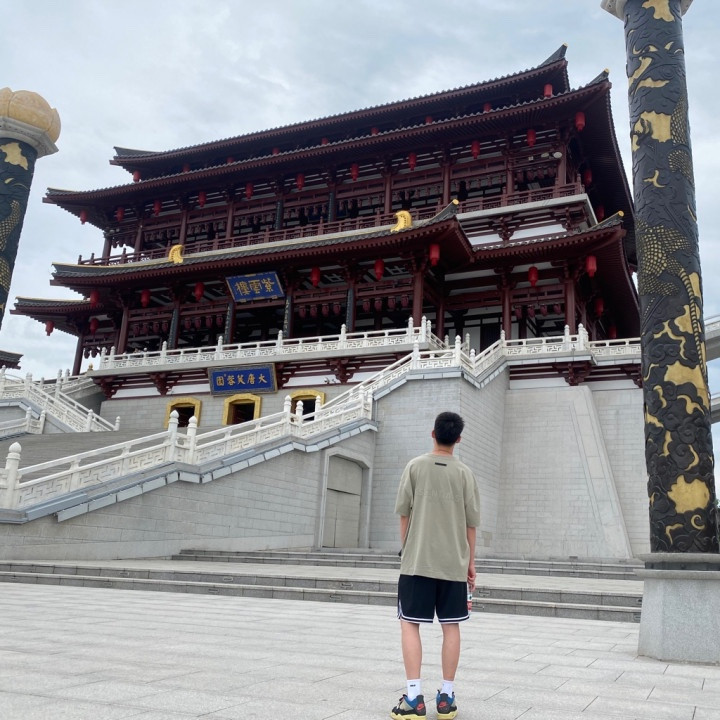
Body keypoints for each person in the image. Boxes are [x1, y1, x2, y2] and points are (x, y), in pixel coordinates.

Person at [390, 411, 480, 720]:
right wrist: (470, 563)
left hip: (417, 562)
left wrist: (407, 549)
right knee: (451, 626)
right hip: (454, 564)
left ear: (433, 434)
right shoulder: (465, 473)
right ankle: (447, 698)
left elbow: (404, 513)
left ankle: (414, 698)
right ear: (458, 439)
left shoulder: (414, 467)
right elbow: (471, 524)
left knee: (409, 624)